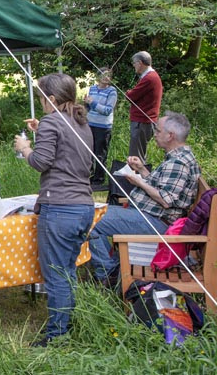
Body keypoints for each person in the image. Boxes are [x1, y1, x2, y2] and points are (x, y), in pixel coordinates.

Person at [13, 73, 94, 347]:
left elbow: (41, 161)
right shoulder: (80, 121)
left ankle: (57, 336)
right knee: (67, 271)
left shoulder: (52, 122)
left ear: (52, 99)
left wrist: (26, 148)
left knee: (56, 275)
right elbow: (66, 151)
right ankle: (68, 325)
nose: (41, 103)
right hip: (83, 207)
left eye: (41, 98)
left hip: (60, 208)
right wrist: (42, 131)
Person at [87, 111, 200, 288]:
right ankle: (111, 267)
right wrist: (141, 170)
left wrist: (138, 181)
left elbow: (165, 200)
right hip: (151, 216)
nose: (155, 134)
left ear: (170, 136)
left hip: (157, 223)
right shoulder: (178, 157)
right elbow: (162, 187)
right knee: (91, 213)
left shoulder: (178, 163)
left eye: (158, 131)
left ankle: (108, 273)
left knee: (88, 218)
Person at [126, 51, 163, 162]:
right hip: (145, 121)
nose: (134, 65)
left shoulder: (149, 78)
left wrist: (128, 92)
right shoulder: (150, 76)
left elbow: (131, 96)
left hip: (142, 121)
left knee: (136, 157)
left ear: (140, 63)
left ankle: (138, 173)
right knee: (139, 154)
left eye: (134, 63)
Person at [84, 68, 118, 189]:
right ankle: (88, 176)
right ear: (98, 77)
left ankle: (99, 179)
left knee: (100, 154)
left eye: (108, 75)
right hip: (90, 124)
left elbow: (107, 110)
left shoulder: (112, 91)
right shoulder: (92, 89)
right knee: (89, 151)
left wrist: (93, 103)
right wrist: (86, 104)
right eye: (104, 75)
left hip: (103, 126)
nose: (106, 78)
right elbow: (89, 107)